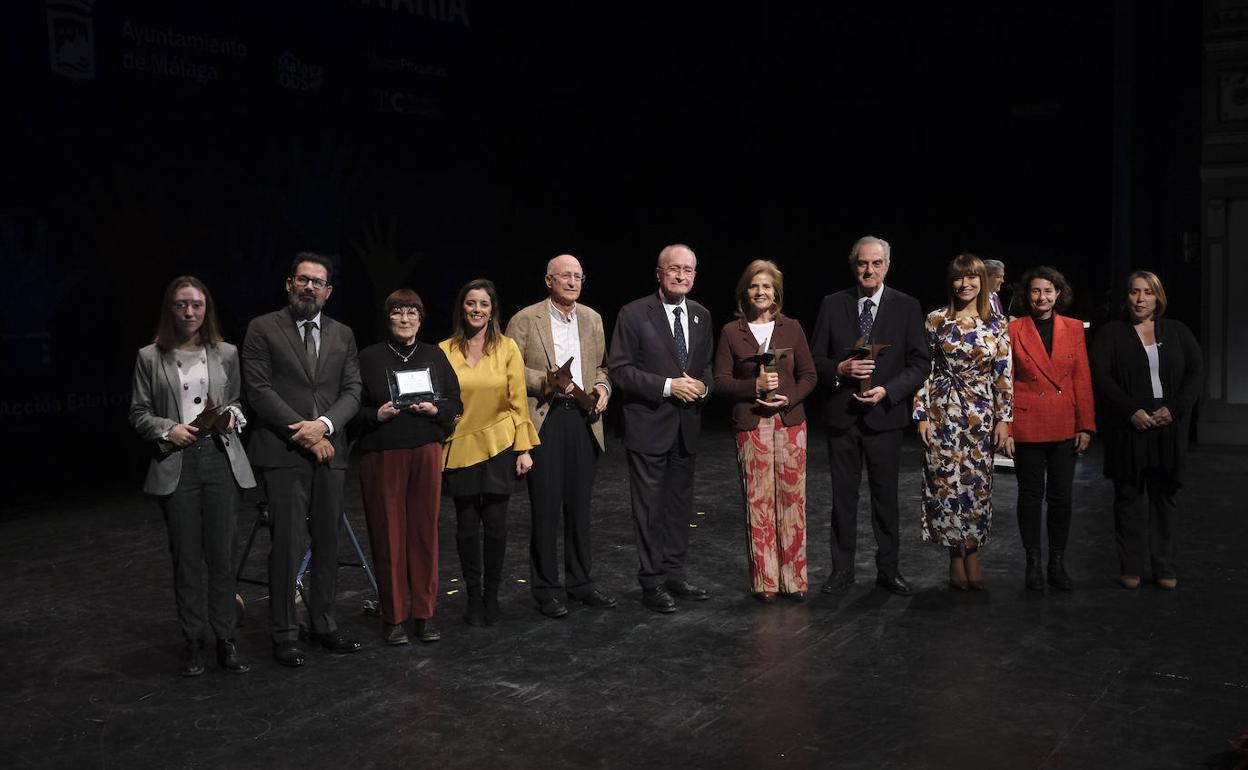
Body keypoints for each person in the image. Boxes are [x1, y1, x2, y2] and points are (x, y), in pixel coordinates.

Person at [129, 276, 256, 676]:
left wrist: (234, 416)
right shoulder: (150, 356)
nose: (189, 312)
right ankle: (194, 641)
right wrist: (170, 429)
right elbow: (138, 413)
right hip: (178, 462)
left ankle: (226, 638)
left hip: (219, 459)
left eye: (197, 305)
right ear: (171, 309)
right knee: (186, 559)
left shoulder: (227, 353)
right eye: (182, 305)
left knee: (221, 556)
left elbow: (236, 401)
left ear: (207, 309)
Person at [241, 253, 363, 667]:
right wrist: (306, 433)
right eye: (303, 280)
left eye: (318, 282)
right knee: (288, 545)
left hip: (331, 452)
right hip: (283, 452)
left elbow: (353, 391)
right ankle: (284, 633)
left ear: (328, 291)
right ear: (289, 284)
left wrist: (325, 426)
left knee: (328, 542)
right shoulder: (262, 328)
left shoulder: (343, 334)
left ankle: (324, 625)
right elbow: (258, 391)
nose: (310, 287)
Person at [810, 235, 930, 596]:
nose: (869, 270)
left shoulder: (906, 306)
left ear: (887, 266)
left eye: (876, 263)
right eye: (863, 263)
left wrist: (889, 391)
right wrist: (840, 369)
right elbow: (815, 360)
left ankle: (888, 569)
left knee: (886, 497)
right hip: (842, 417)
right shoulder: (833, 304)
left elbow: (920, 362)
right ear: (853, 266)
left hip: (885, 418)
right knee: (843, 498)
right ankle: (841, 569)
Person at [505, 255, 617, 619]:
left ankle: (581, 583)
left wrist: (602, 387)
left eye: (578, 276)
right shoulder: (525, 319)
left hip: (584, 420)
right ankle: (546, 589)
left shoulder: (593, 319)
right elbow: (508, 369)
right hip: (546, 418)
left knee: (579, 508)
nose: (572, 281)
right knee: (546, 509)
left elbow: (601, 365)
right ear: (548, 280)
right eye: (565, 276)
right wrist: (544, 380)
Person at [608, 244, 715, 613]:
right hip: (648, 427)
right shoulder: (634, 314)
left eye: (688, 270)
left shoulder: (701, 315)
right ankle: (651, 582)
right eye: (674, 269)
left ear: (695, 275)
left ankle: (674, 573)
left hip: (686, 428)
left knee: (679, 507)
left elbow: (707, 369)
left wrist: (704, 387)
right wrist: (668, 386)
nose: (681, 276)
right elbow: (620, 370)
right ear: (659, 273)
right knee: (650, 510)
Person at [353, 289, 461, 645]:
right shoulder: (369, 358)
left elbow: (454, 402)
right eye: (398, 312)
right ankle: (394, 615)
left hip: (426, 451)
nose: (405, 319)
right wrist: (375, 414)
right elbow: (352, 409)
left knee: (423, 534)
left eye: (411, 312)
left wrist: (436, 410)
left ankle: (423, 614)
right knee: (388, 535)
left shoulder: (434, 355)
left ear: (421, 317)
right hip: (383, 453)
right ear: (388, 318)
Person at [1090, 271, 1202, 590]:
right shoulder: (1111, 333)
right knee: (1128, 497)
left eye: (1148, 293)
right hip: (1129, 427)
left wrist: (1175, 409)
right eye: (1134, 292)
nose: (1140, 299)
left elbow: (1195, 373)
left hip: (1167, 426)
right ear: (1126, 298)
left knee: (1164, 497)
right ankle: (1131, 567)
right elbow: (1101, 378)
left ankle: (1165, 566)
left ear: (1158, 298)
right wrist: (1130, 411)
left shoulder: (1178, 331)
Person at [712, 260, 817, 601]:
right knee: (758, 502)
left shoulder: (793, 327)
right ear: (745, 292)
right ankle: (766, 581)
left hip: (790, 423)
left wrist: (790, 399)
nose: (761, 292)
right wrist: (753, 387)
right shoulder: (731, 332)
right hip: (752, 424)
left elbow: (809, 376)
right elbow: (721, 382)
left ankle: (795, 580)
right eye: (755, 286)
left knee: (792, 502)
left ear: (777, 293)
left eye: (767, 287)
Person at [439, 279, 540, 625]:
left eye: (483, 304)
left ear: (492, 310)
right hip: (460, 445)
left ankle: (491, 598)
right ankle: (473, 599)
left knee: (496, 527)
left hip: (500, 444)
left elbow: (518, 401)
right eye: (471, 303)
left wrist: (523, 449)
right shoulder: (444, 350)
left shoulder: (508, 347)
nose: (477, 310)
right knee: (466, 527)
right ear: (462, 308)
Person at [914, 253, 1013, 590]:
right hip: (943, 411)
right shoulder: (936, 320)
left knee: (976, 487)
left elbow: (1003, 375)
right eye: (959, 278)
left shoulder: (997, 323)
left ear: (982, 281)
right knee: (944, 485)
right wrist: (921, 415)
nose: (965, 284)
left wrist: (1004, 420)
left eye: (972, 277)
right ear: (951, 282)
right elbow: (923, 370)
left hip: (981, 414)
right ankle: (954, 557)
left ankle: (972, 553)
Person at [1004, 266, 1095, 591]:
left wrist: (1086, 424)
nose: (1041, 297)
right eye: (1035, 291)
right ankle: (1032, 564)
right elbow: (1006, 381)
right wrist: (1007, 427)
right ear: (1026, 296)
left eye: (1048, 291)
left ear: (1058, 294)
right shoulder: (1014, 330)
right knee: (1030, 496)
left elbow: (1081, 378)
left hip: (1064, 422)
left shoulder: (1073, 328)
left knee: (1061, 497)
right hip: (1027, 420)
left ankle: (1056, 563)